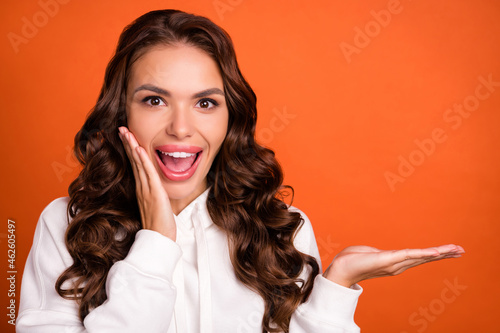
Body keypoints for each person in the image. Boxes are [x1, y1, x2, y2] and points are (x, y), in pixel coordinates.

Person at [16, 9, 464, 333]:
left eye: (206, 103)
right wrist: (154, 243)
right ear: (121, 113)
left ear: (231, 119)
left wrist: (338, 284)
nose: (181, 127)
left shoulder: (280, 229)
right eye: (154, 100)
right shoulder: (67, 224)